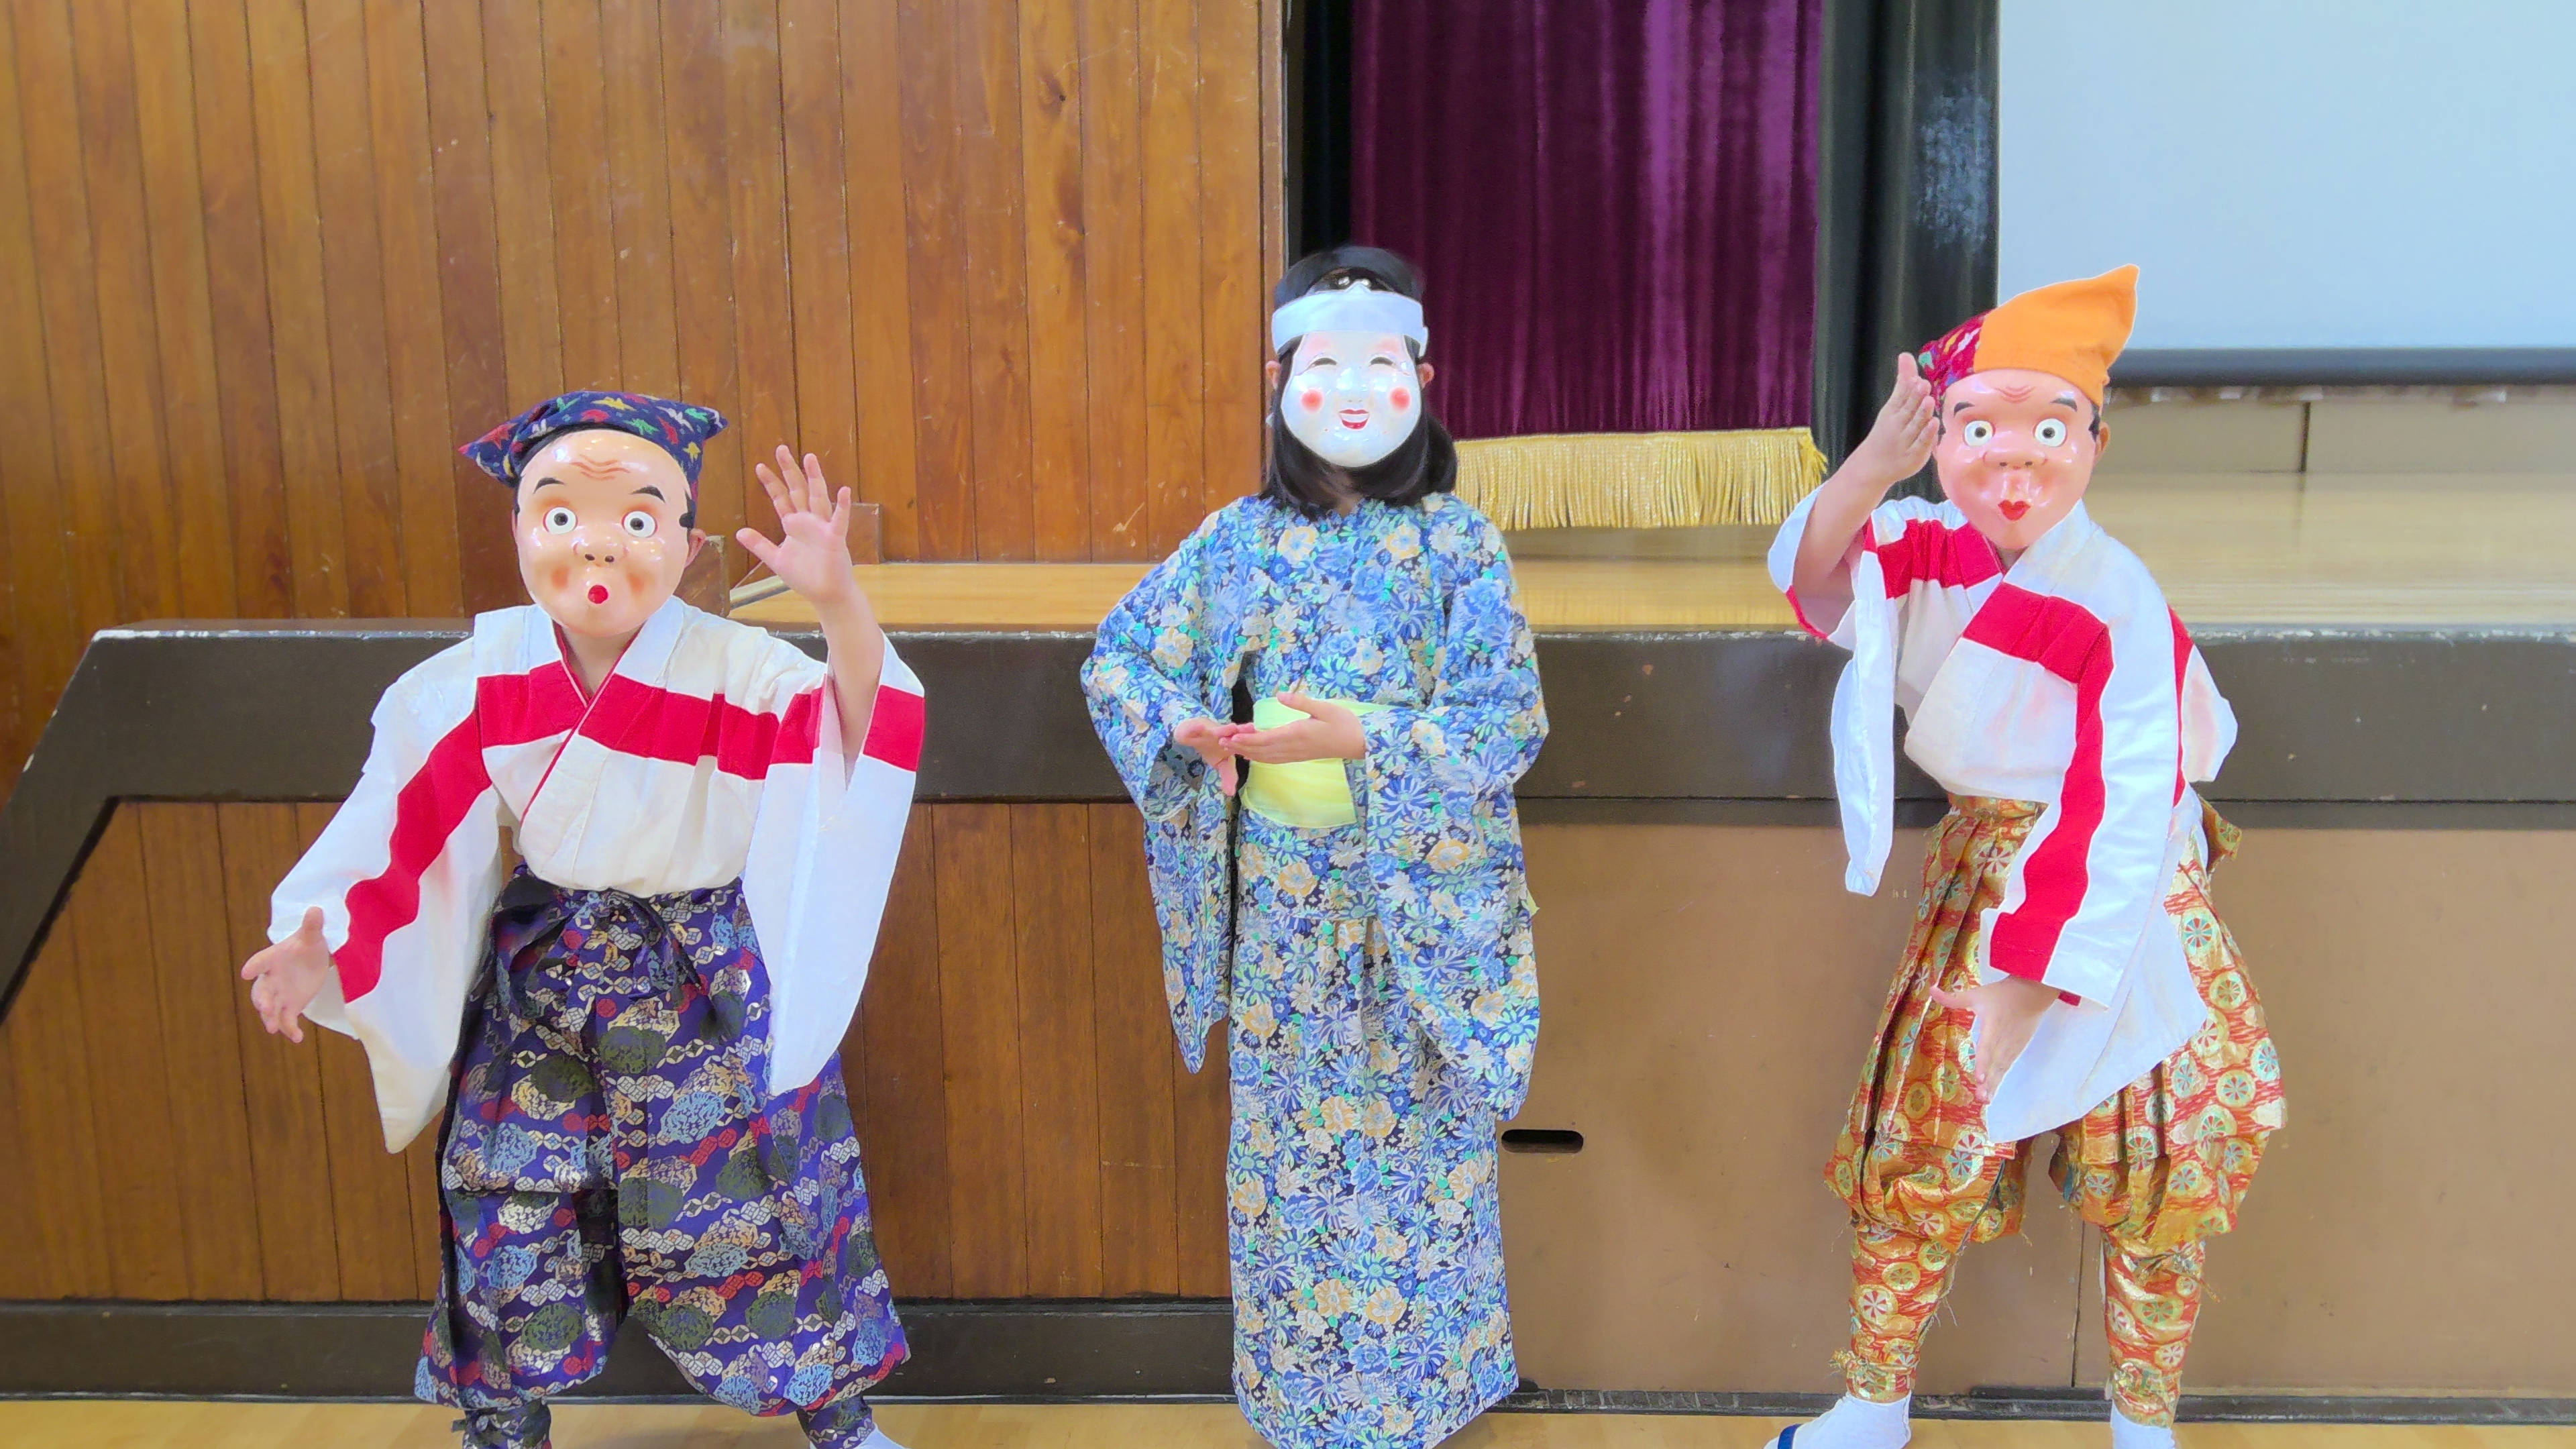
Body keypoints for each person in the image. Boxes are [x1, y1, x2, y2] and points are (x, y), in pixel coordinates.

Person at [239, 391, 924, 1449]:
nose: (597, 543)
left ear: (687, 540)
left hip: (704, 976)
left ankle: (837, 1417)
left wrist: (840, 604)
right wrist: (314, 939)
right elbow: (396, 827)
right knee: (508, 1195)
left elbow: (856, 732)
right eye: (560, 513)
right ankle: (502, 1423)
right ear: (520, 529)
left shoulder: (737, 669)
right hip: (544, 980)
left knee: (762, 1190)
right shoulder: (483, 676)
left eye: (637, 518)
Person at [1766, 268, 2284, 1449]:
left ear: (2095, 443)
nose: (2014, 460)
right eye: (1976, 428)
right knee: (1923, 1142)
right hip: (1983, 871)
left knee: (2159, 1162)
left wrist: (2030, 977)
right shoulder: (1924, 543)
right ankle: (1873, 1405)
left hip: (2125, 895)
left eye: (2049, 430)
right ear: (1940, 440)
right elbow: (1819, 576)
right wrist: (1869, 467)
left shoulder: (2116, 596)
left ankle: (2144, 1426)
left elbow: (2121, 797)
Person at [1081, 246, 1546, 1449]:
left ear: (1422, 380)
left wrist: (1370, 737)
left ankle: (1423, 1404)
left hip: (1422, 907)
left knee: (1425, 1156)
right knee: (1290, 1161)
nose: (1348, 391)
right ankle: (1303, 1406)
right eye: (1321, 366)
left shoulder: (1459, 544)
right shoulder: (1238, 541)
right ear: (1278, 379)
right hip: (1286, 901)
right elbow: (1120, 659)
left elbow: (1508, 722)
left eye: (1377, 365)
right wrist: (1185, 726)